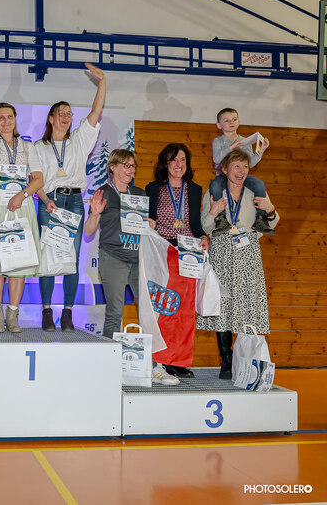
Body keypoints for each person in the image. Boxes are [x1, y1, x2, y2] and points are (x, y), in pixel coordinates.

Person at [85, 149, 179, 385]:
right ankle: (107, 368)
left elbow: (143, 227)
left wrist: (150, 224)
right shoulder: (103, 193)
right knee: (114, 312)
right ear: (113, 167)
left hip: (139, 259)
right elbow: (88, 230)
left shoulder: (139, 194)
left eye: (133, 166)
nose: (130, 170)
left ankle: (155, 366)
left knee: (151, 312)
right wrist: (94, 214)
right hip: (113, 258)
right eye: (125, 165)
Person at [0, 61, 44, 333]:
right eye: (0, 117)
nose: (5, 121)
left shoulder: (27, 146)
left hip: (21, 204)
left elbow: (38, 179)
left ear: (15, 120)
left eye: (9, 117)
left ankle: (13, 314)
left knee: (19, 260)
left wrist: (22, 195)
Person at [35, 62, 106, 332]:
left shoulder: (78, 140)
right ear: (51, 118)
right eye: (61, 112)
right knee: (47, 257)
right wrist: (45, 200)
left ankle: (67, 312)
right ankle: (46, 311)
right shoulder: (39, 147)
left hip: (75, 202)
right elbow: (35, 180)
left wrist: (102, 83)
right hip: (49, 202)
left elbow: (96, 112)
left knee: (71, 258)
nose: (66, 116)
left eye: (69, 113)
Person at [198, 149, 279, 379]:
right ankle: (226, 358)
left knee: (247, 304)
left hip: (248, 253)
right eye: (236, 166)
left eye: (245, 166)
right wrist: (212, 212)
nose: (241, 171)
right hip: (222, 252)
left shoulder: (255, 191)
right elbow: (205, 227)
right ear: (225, 169)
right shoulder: (214, 192)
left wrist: (271, 210)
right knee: (223, 305)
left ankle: (246, 358)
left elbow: (273, 221)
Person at [145, 143, 208, 378]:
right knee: (166, 307)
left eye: (182, 160)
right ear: (166, 163)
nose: (178, 164)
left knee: (186, 310)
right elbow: (149, 220)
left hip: (188, 253)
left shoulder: (195, 189)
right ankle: (163, 359)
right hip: (163, 251)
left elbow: (195, 224)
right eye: (173, 160)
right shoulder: (153, 188)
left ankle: (181, 361)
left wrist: (204, 236)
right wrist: (148, 224)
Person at [209, 107, 273, 236]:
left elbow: (251, 162)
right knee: (215, 185)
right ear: (219, 125)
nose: (231, 122)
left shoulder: (245, 141)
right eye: (226, 120)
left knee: (259, 184)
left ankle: (260, 218)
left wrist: (261, 151)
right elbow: (217, 158)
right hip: (223, 176)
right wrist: (231, 147)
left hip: (242, 177)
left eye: (234, 119)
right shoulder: (218, 141)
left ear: (239, 122)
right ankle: (221, 218)